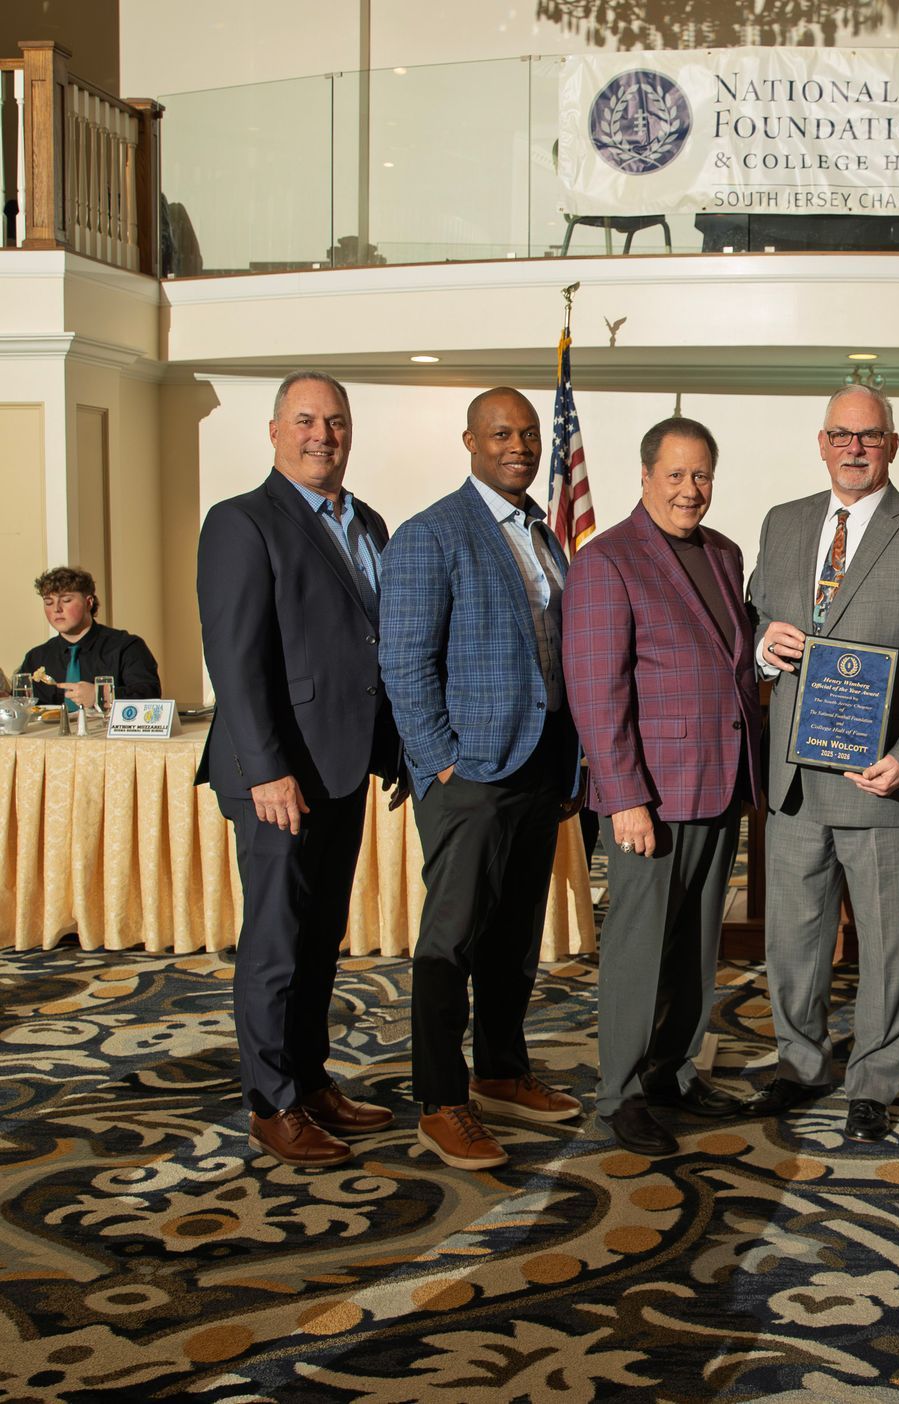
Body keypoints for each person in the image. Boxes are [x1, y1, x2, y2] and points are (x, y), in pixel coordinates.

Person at [744, 384, 899, 1144]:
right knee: (793, 940)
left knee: (888, 946)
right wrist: (761, 646)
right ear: (821, 441)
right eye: (842, 435)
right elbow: (755, 613)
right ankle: (799, 1063)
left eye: (869, 436)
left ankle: (874, 1080)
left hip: (881, 785)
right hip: (794, 783)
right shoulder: (784, 523)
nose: (855, 448)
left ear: (892, 445)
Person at [196, 371, 401, 1168]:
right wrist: (266, 769)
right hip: (277, 776)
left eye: (338, 421)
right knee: (276, 943)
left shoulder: (369, 522)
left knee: (321, 940)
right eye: (308, 420)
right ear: (275, 430)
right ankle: (270, 1102)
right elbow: (235, 662)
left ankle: (312, 1082)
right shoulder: (243, 522)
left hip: (342, 768)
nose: (325, 434)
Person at [380, 387, 585, 1172]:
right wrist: (440, 760)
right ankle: (440, 1099)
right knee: (452, 942)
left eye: (529, 433)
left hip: (540, 768)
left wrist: (569, 758)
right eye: (502, 433)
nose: (520, 446)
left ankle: (501, 1069)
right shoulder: (432, 534)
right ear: (469, 440)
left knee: (514, 938)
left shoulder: (543, 532)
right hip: (469, 771)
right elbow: (403, 660)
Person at [562, 416, 763, 1156]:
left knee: (694, 948)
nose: (690, 489)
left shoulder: (724, 554)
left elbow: (730, 662)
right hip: (652, 796)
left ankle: (673, 1070)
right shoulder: (606, 561)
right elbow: (595, 689)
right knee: (639, 950)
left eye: (701, 475)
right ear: (645, 477)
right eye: (675, 475)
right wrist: (625, 796)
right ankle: (618, 1095)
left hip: (719, 781)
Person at [22, 566, 161, 710]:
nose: (56, 609)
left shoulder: (126, 647)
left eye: (66, 600)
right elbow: (20, 707)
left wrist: (101, 695)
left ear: (89, 603)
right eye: (49, 602)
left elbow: (150, 696)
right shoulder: (36, 658)